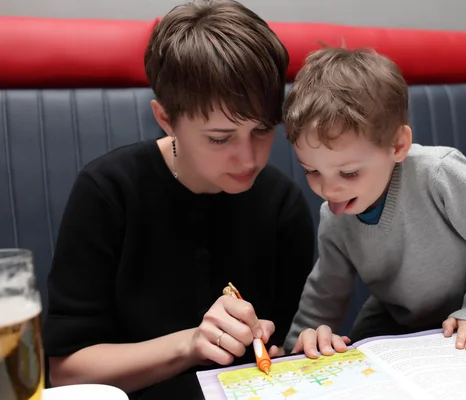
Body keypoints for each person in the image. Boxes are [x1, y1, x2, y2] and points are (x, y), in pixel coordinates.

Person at [43, 1, 315, 397]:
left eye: (263, 129)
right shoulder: (109, 191)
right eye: (220, 138)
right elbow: (66, 372)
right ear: (166, 118)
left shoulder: (281, 203)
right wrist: (190, 345)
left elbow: (283, 343)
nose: (250, 157)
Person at [281, 46, 466, 359]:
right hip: (399, 315)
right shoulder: (335, 216)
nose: (329, 189)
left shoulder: (438, 172)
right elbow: (327, 288)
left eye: (349, 172)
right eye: (312, 171)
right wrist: (297, 345)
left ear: (397, 145)